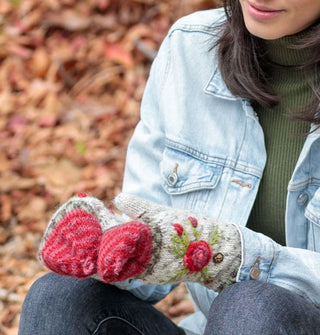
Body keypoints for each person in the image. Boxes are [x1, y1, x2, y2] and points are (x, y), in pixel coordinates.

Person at [19, 0, 320, 334]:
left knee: (253, 307)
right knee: (58, 297)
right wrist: (117, 248)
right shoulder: (190, 48)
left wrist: (234, 256)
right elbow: (149, 238)